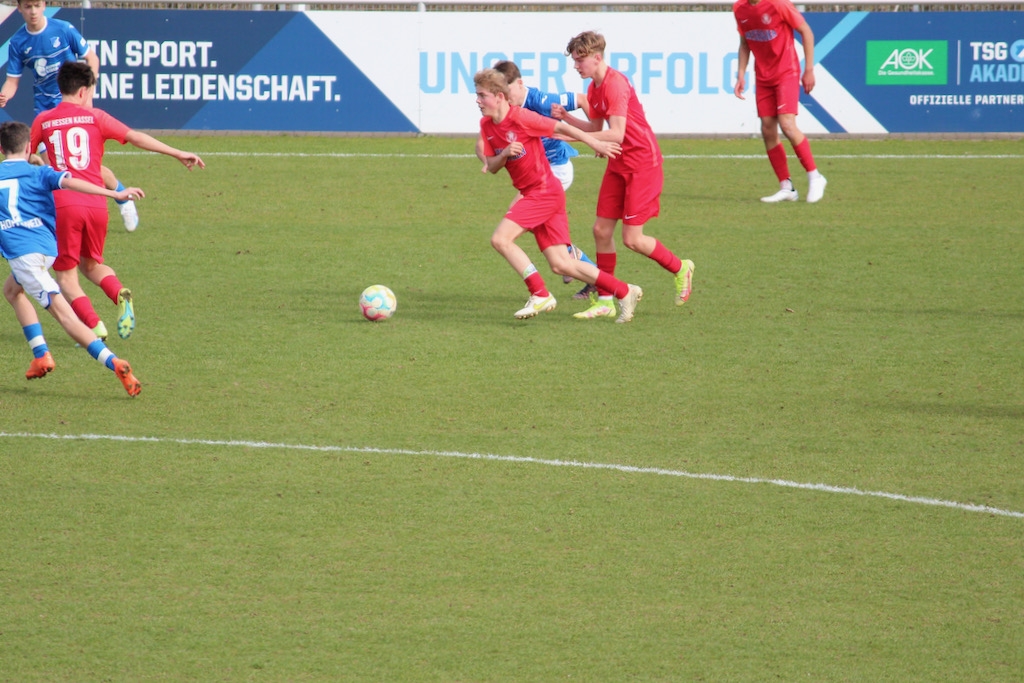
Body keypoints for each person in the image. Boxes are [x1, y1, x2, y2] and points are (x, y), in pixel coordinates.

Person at [30, 61, 205, 341]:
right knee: (91, 265)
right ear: (84, 91)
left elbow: (24, 155)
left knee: (65, 277)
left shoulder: (44, 119)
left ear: (61, 88)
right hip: (98, 203)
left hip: (65, 205)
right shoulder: (96, 117)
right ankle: (119, 292)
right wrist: (177, 152)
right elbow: (135, 137)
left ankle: (94, 327)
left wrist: (37, 163)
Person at [474, 68, 642, 324]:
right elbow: (493, 166)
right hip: (539, 193)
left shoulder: (522, 117)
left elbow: (561, 128)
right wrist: (505, 153)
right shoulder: (487, 125)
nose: (477, 101)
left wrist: (595, 143)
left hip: (542, 192)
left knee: (500, 239)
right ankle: (624, 290)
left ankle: (539, 293)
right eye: (477, 95)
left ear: (498, 96)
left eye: (482, 96)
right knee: (561, 264)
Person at [552, 31, 695, 320]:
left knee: (633, 239)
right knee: (601, 231)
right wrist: (567, 119)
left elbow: (616, 133)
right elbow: (595, 129)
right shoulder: (594, 87)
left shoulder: (615, 85)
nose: (576, 66)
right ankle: (606, 299)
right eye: (574, 61)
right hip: (618, 161)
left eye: (580, 60)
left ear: (597, 58)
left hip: (642, 163)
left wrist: (570, 136)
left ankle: (681, 267)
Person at [0, 120, 142, 396]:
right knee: (12, 290)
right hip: (47, 250)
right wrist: (115, 193)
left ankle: (114, 362)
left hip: (25, 257)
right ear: (28, 147)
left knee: (67, 318)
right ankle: (40, 355)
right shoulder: (40, 172)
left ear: (1, 148)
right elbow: (73, 182)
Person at [0, 0, 141, 230]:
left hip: (74, 107)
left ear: (44, 5)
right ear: (20, 8)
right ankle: (58, 218)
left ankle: (122, 197)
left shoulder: (63, 29)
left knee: (84, 167)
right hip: (46, 112)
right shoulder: (18, 42)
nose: (33, 11)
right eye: (28, 6)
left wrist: (88, 93)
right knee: (56, 170)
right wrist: (4, 95)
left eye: (37, 5)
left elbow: (92, 59)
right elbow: (12, 82)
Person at [478, 60, 598, 299]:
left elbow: (582, 100)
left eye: (507, 88)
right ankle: (576, 262)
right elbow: (481, 142)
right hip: (541, 170)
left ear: (519, 84)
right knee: (527, 220)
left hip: (556, 169)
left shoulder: (540, 101)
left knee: (516, 218)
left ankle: (574, 262)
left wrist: (595, 135)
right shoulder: (502, 115)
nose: (504, 95)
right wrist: (489, 159)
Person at [733, 0, 827, 203]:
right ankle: (787, 187)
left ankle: (815, 177)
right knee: (767, 129)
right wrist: (741, 73)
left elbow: (806, 32)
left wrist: (809, 69)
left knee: (787, 124)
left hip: (786, 72)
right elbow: (744, 43)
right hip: (763, 76)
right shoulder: (739, 8)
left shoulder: (778, 4)